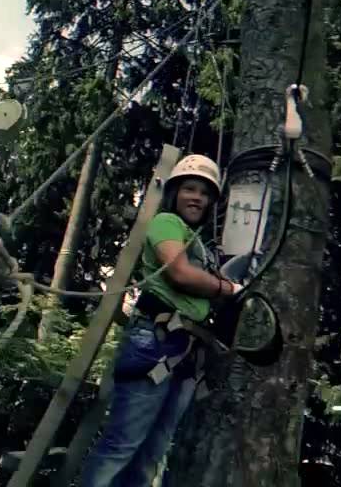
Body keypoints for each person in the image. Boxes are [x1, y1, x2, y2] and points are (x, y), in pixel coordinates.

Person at [78, 154, 240, 487]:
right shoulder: (166, 222)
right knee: (122, 446)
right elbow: (179, 273)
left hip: (184, 350)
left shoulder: (200, 244)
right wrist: (229, 288)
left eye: (204, 193)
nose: (197, 197)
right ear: (175, 192)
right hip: (156, 341)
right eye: (189, 189)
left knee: (152, 452)